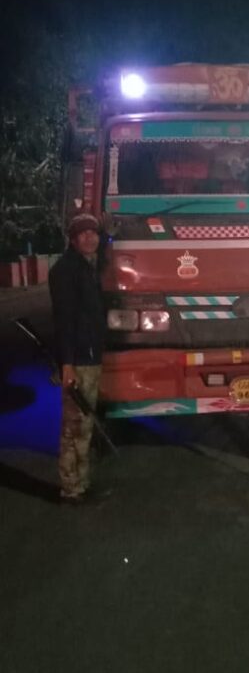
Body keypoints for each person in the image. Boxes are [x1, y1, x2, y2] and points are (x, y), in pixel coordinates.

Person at [49, 213, 107, 505]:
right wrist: (67, 364)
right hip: (78, 360)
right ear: (72, 239)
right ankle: (70, 489)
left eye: (93, 232)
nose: (90, 237)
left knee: (84, 425)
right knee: (74, 427)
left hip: (90, 356)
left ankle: (81, 484)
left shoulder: (86, 266)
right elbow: (64, 321)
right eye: (83, 233)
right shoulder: (65, 270)